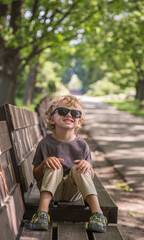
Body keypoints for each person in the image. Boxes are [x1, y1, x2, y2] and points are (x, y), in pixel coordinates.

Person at [30, 95, 107, 232]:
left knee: (80, 168)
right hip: (51, 191)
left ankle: (98, 214)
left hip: (73, 191)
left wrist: (87, 166)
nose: (69, 114)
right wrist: (44, 163)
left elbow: (91, 176)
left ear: (79, 122)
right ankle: (42, 213)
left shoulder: (82, 145)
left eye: (75, 113)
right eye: (63, 111)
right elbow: (36, 175)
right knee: (54, 165)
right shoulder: (45, 143)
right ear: (52, 119)